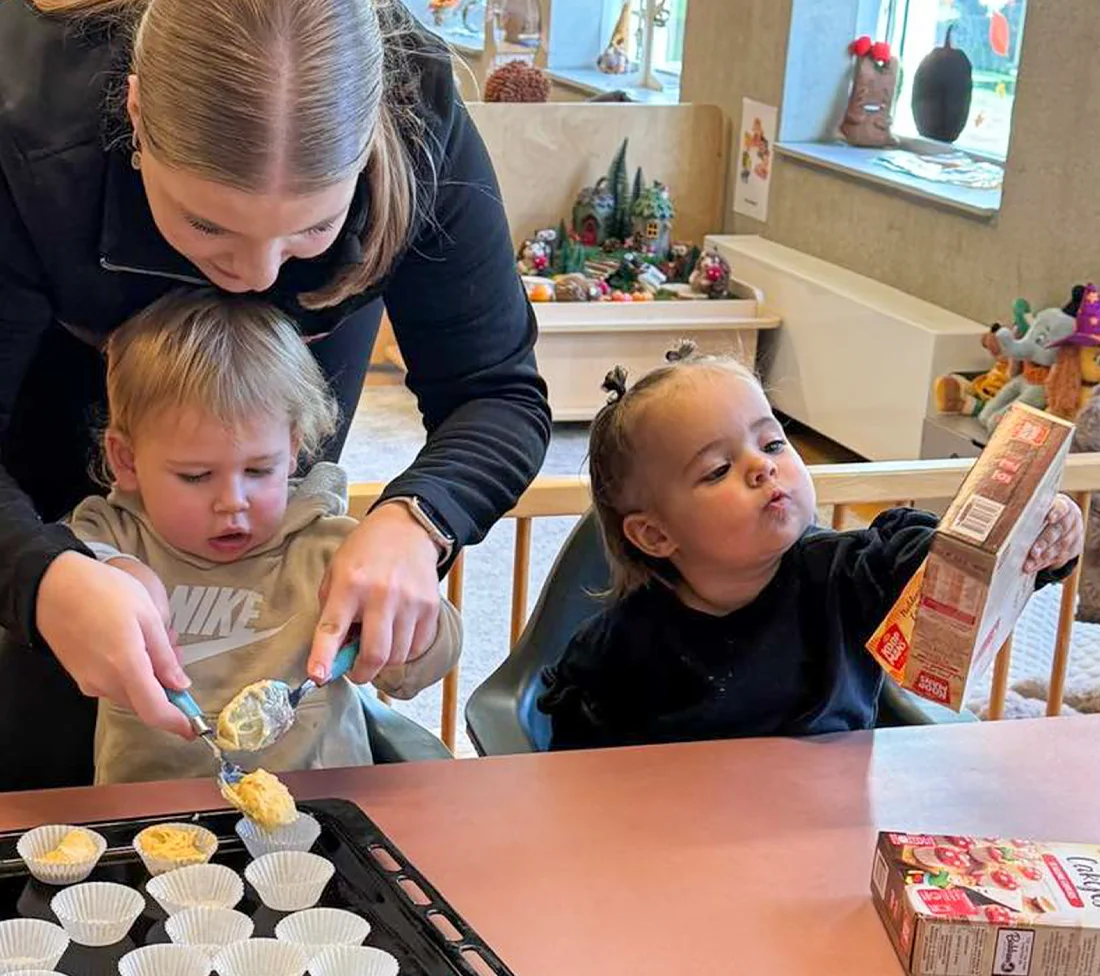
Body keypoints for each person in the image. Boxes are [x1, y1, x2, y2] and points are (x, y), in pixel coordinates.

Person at [0, 0, 548, 789]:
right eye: (205, 224)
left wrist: (419, 520)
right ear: (135, 112)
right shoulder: (28, 135)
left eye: (312, 232)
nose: (257, 277)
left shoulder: (420, 112)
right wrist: (42, 576)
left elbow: (495, 391)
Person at [539, 352, 1084, 749]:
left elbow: (936, 565)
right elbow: (578, 766)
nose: (763, 466)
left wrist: (1038, 541)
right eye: (718, 470)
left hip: (827, 831)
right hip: (685, 844)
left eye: (772, 442)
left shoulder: (847, 574)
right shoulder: (624, 641)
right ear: (657, 536)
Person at [69, 289, 462, 784]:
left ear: (293, 449)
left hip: (320, 813)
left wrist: (407, 621)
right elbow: (68, 561)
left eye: (259, 469)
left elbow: (415, 675)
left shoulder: (332, 549)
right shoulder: (114, 535)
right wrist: (107, 574)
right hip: (152, 821)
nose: (233, 500)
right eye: (195, 475)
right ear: (126, 460)